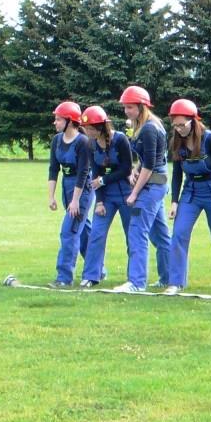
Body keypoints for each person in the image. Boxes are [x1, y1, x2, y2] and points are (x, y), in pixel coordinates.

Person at [165, 98, 211, 294]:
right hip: (191, 192)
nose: (179, 129)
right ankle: (176, 282)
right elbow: (177, 174)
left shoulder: (209, 139)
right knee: (179, 234)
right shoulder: (176, 142)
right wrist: (174, 202)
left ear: (193, 121)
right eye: (175, 125)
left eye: (182, 124)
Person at [114, 86, 172, 292]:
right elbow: (147, 158)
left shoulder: (148, 129)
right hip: (157, 184)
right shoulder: (150, 125)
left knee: (137, 231)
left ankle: (137, 283)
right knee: (160, 234)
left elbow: (150, 165)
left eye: (130, 107)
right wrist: (135, 169)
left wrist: (134, 193)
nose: (126, 111)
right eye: (125, 107)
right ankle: (168, 278)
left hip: (151, 187)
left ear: (141, 107)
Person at [80, 105, 130, 288]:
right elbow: (95, 174)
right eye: (86, 129)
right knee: (96, 234)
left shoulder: (120, 139)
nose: (87, 132)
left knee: (132, 236)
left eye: (90, 129)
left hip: (126, 194)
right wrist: (99, 201)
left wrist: (104, 180)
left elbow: (126, 169)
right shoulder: (90, 144)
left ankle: (134, 277)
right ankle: (91, 276)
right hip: (106, 196)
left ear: (101, 127)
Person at [46, 102, 95, 288]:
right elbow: (53, 169)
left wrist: (75, 201)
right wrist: (51, 196)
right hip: (66, 186)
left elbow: (83, 173)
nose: (55, 122)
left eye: (58, 119)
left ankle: (64, 277)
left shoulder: (83, 142)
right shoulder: (57, 140)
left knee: (69, 232)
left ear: (70, 121)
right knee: (83, 232)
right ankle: (98, 269)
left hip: (81, 189)